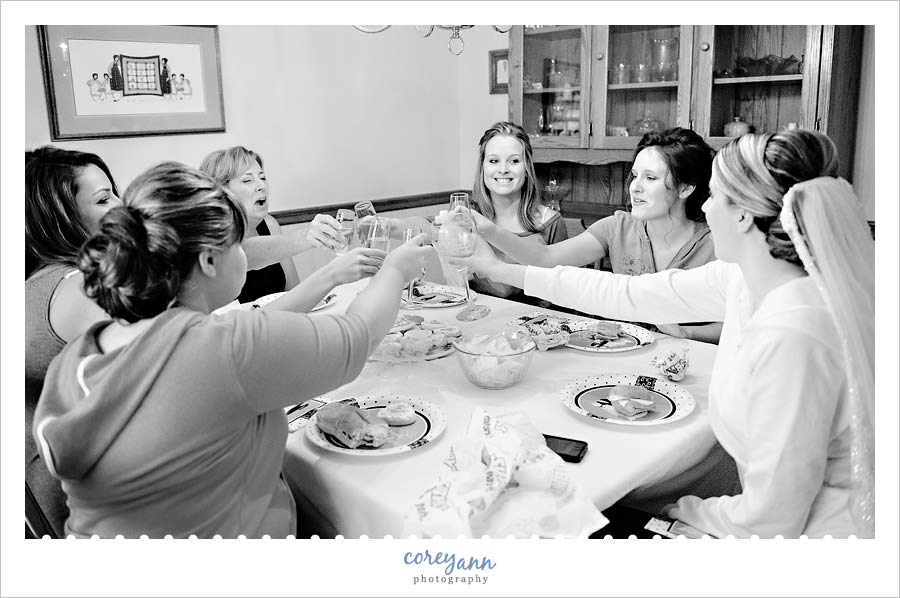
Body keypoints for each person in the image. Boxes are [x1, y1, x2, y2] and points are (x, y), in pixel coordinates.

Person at [457, 129, 875, 538]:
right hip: (757, 515)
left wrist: (670, 510)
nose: (706, 209)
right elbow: (627, 293)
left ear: (744, 214)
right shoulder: (742, 277)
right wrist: (498, 269)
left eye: (716, 197)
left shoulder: (794, 333)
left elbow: (771, 519)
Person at [32, 162, 433, 538]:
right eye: (238, 244)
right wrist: (396, 270)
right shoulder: (224, 347)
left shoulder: (78, 356)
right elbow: (358, 334)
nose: (246, 254)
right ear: (209, 260)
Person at [470, 127, 722, 343]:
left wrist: (686, 333)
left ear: (685, 188)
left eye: (650, 178)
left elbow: (734, 322)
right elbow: (545, 258)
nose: (635, 187)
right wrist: (488, 229)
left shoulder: (716, 243)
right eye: (634, 176)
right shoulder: (615, 227)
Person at [25, 147, 123, 536]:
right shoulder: (79, 290)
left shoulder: (43, 280)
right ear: (62, 219)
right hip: (71, 496)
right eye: (104, 199)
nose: (121, 204)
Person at [200, 146, 320, 303]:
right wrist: (308, 237)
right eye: (248, 180)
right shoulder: (209, 239)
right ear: (222, 192)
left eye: (262, 178)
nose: (261, 186)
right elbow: (244, 253)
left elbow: (293, 292)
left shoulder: (270, 225)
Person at [465, 121, 568, 300]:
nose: (503, 169)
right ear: (483, 167)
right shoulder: (467, 217)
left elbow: (562, 293)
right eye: (493, 161)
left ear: (527, 168)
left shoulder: (551, 223)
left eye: (514, 161)